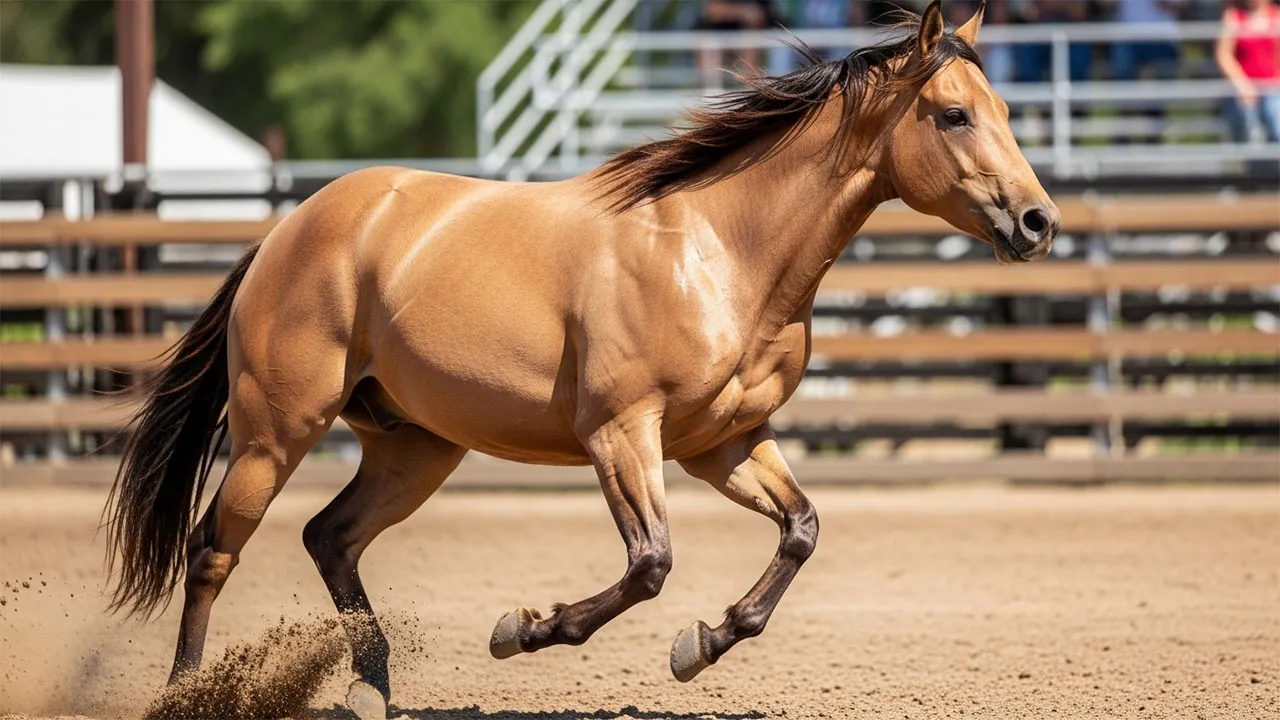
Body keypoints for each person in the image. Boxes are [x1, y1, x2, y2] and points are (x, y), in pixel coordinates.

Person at [1215, 0, 1280, 148]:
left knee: (1276, 120)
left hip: (1272, 87)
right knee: (1251, 133)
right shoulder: (1233, 16)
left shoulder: (1276, 15)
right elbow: (1223, 55)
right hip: (1243, 90)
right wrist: (1242, 85)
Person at [697, 0, 776, 88]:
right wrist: (742, 12)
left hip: (754, 37)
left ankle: (751, 89)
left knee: (750, 42)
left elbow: (758, 16)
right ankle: (710, 91)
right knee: (709, 45)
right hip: (718, 36)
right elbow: (712, 11)